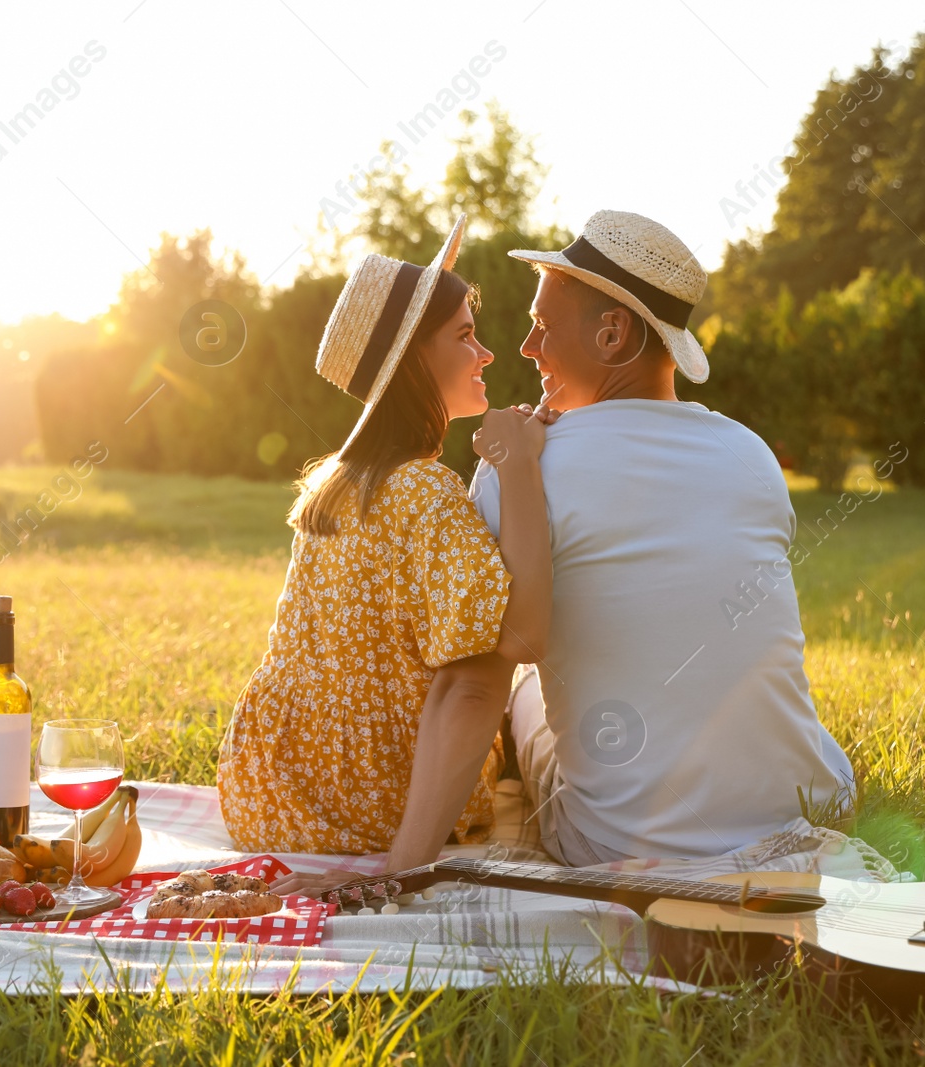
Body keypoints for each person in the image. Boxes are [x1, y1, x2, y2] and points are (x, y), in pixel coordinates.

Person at [463, 209, 855, 866]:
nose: (528, 348)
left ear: (612, 332)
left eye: (542, 326)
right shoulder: (751, 453)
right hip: (804, 810)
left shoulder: (516, 469)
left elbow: (488, 657)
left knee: (526, 686)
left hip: (613, 841)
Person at [219, 216, 557, 878]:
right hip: (373, 795)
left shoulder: (333, 484)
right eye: (465, 335)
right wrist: (519, 466)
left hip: (268, 782)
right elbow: (521, 638)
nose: (486, 353)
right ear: (414, 364)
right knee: (505, 685)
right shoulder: (427, 492)